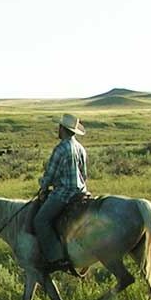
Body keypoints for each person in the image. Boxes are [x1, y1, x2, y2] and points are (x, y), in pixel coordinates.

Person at [34, 113, 88, 272]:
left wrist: (43, 187)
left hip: (65, 194)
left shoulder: (61, 148)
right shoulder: (81, 148)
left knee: (40, 221)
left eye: (59, 127)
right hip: (82, 192)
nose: (57, 129)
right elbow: (84, 175)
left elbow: (49, 175)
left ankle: (55, 258)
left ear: (62, 129)